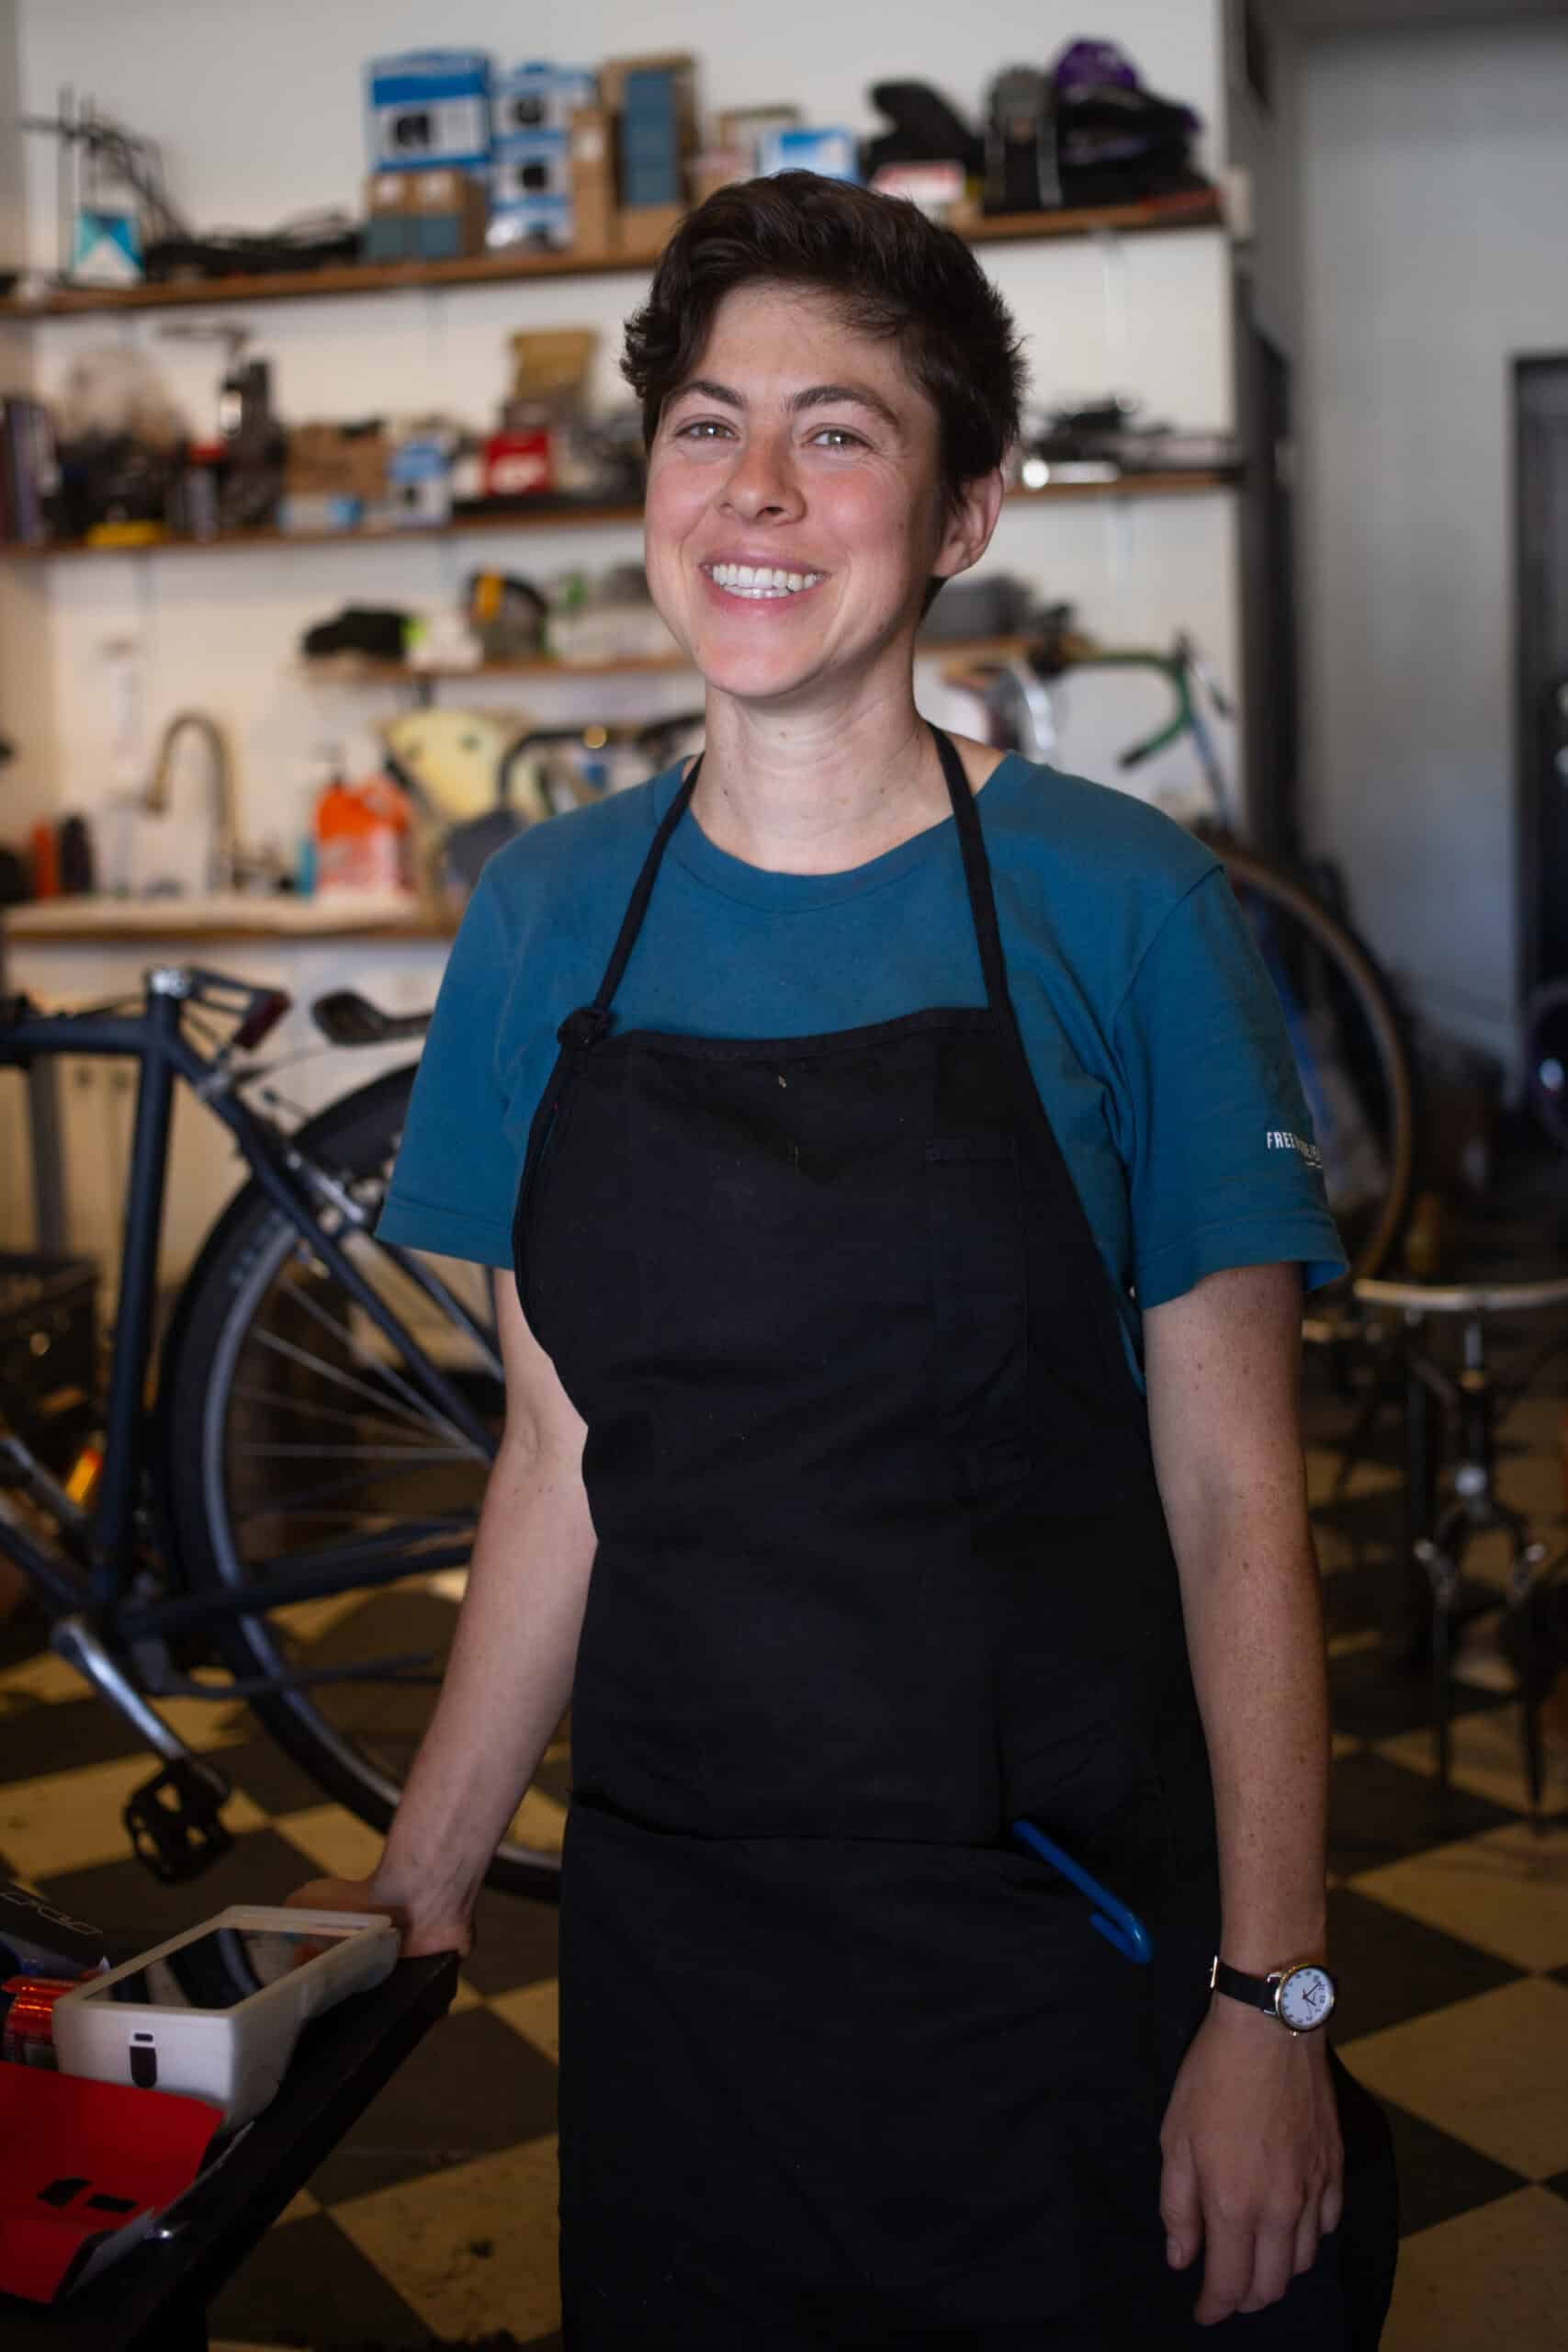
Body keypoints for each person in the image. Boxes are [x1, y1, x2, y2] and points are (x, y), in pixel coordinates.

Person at [290, 173, 1390, 2346]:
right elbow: (557, 1455)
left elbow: (1230, 1495)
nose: (755, 491)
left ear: (962, 509)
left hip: (1054, 1924)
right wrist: (418, 1881)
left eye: (841, 430)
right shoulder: (540, 918)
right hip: (683, 1949)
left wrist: (1271, 1994)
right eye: (705, 426)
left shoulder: (1121, 905)